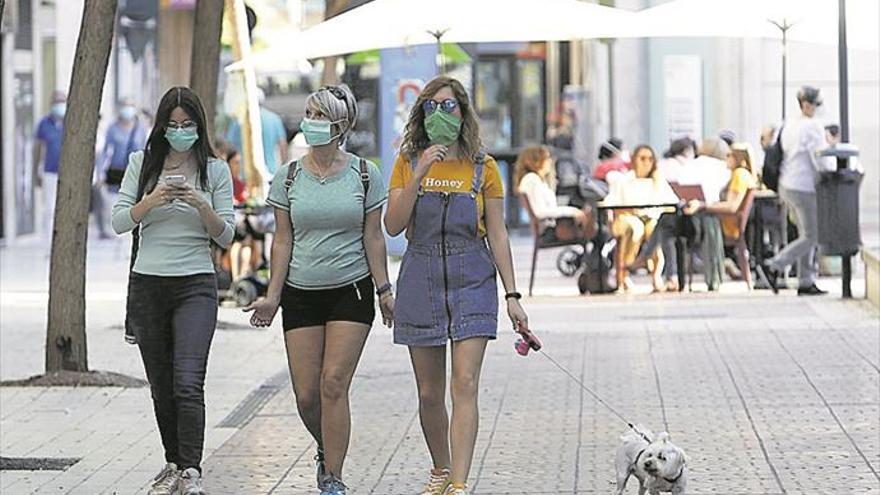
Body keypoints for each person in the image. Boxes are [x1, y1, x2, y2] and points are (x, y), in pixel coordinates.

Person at [244, 84, 393, 495]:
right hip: (300, 292)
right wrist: (272, 296)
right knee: (307, 395)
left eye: (319, 116)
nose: (310, 122)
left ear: (340, 125)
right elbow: (282, 240)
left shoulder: (365, 174)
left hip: (352, 290)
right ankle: (327, 450)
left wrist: (384, 289)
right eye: (309, 114)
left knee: (333, 384)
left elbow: (374, 237)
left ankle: (334, 477)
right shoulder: (288, 176)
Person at [384, 75, 529, 495]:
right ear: (420, 115)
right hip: (421, 276)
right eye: (431, 107)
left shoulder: (485, 167)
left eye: (449, 106)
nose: (441, 114)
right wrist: (421, 170)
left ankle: (460, 484)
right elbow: (393, 225)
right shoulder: (407, 161)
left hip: (472, 277)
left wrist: (513, 296)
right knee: (430, 393)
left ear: (463, 113)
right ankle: (440, 469)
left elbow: (498, 234)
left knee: (464, 383)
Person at [112, 87, 235, 495]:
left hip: (195, 284)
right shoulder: (141, 164)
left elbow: (227, 234)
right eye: (173, 125)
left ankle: (192, 470)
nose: (180, 132)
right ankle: (172, 463)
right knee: (162, 383)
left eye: (188, 125)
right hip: (149, 285)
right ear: (162, 127)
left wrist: (201, 204)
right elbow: (118, 221)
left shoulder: (215, 171)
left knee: (187, 380)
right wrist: (152, 201)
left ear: (200, 127)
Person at [764, 86, 833, 296]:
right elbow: (820, 157)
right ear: (806, 105)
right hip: (803, 186)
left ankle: (806, 280)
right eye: (817, 104)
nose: (819, 109)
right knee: (812, 235)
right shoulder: (812, 127)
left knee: (806, 233)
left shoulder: (788, 124)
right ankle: (774, 265)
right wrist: (832, 171)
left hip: (787, 184)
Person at [605, 145, 677, 292]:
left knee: (656, 230)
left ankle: (656, 275)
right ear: (634, 160)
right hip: (627, 217)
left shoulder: (658, 181)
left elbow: (672, 203)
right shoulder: (624, 180)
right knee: (635, 228)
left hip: (651, 219)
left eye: (650, 159)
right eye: (642, 158)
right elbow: (610, 202)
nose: (646, 162)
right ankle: (625, 270)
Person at [515, 145, 596, 242]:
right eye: (547, 158)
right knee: (595, 227)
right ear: (537, 160)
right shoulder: (532, 180)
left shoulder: (535, 180)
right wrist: (572, 211)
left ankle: (592, 255)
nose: (550, 162)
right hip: (550, 231)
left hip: (552, 227)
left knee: (588, 215)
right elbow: (540, 212)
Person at [226, 88, 289, 176]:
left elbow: (229, 145)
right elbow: (282, 145)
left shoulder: (239, 120)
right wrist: (283, 166)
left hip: (245, 173)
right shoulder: (274, 119)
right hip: (271, 171)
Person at [34, 91, 67, 241]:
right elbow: (39, 147)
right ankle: (48, 242)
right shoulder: (44, 123)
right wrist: (37, 171)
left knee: (66, 208)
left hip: (67, 172)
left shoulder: (70, 121)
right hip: (49, 171)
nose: (59, 105)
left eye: (62, 101)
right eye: (56, 102)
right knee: (49, 208)